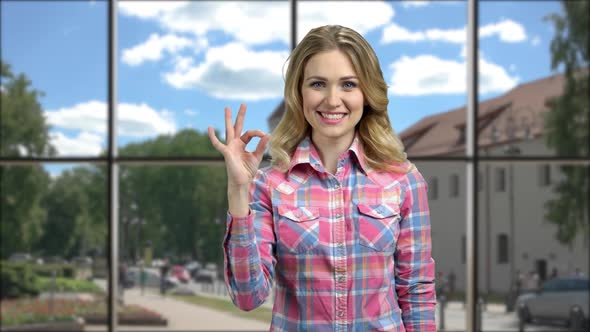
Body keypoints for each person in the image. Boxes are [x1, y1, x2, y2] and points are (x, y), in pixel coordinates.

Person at [209, 25, 436, 331]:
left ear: (367, 93)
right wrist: (238, 190)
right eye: (318, 84)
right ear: (298, 92)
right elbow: (248, 297)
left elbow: (416, 292)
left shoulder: (403, 181)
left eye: (348, 85)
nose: (332, 100)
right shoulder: (270, 186)